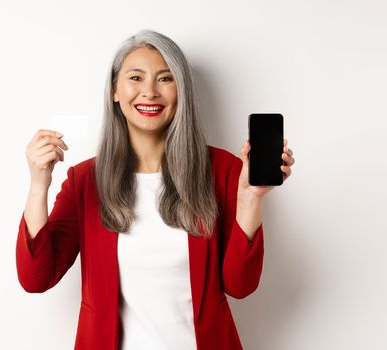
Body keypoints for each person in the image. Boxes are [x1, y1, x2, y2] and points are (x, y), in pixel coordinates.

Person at [16, 29, 295, 350]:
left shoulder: (224, 170)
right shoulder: (85, 180)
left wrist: (250, 200)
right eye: (136, 78)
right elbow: (36, 278)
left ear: (181, 91)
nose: (149, 92)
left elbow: (240, 285)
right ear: (114, 92)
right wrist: (39, 186)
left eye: (165, 79)